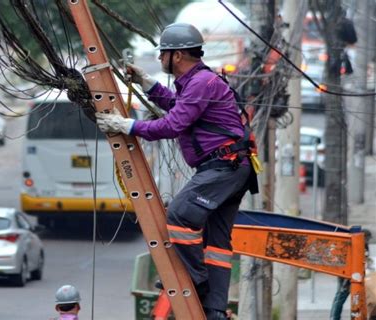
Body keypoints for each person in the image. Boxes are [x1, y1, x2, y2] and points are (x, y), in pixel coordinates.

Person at [96, 23, 257, 320]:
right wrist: (147, 84)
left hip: (224, 166)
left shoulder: (201, 83)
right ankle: (215, 310)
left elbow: (172, 125)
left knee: (180, 216)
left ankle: (197, 281)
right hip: (232, 167)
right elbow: (176, 107)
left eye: (163, 55)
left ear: (178, 55)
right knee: (217, 245)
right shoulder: (198, 82)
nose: (160, 60)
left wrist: (127, 126)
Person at [330, 229, 373, 320]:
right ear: (363, 237)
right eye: (367, 238)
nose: (368, 241)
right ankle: (334, 317)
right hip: (346, 274)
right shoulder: (352, 244)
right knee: (341, 296)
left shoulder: (363, 245)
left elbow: (365, 257)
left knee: (355, 297)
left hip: (357, 274)